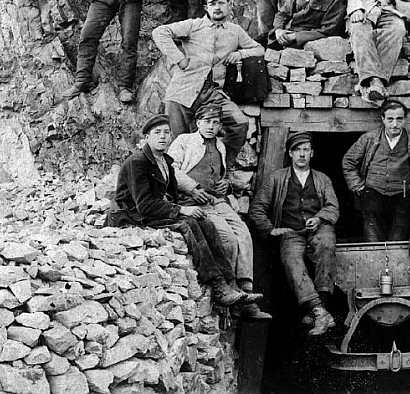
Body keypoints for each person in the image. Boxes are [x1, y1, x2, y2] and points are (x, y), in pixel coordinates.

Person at [108, 115, 261, 307]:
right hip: (131, 214)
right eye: (157, 133)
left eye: (166, 133)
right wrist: (182, 209)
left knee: (205, 220)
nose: (162, 137)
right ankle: (218, 285)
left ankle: (230, 283)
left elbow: (167, 194)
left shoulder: (164, 161)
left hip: (152, 209)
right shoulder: (137, 162)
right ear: (147, 137)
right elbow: (144, 205)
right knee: (189, 224)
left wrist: (185, 207)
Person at [168, 103, 270, 319]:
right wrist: (193, 189)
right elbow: (171, 170)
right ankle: (231, 293)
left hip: (218, 200)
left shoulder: (220, 146)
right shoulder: (185, 141)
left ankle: (246, 292)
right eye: (206, 122)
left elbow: (220, 175)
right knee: (229, 239)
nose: (211, 127)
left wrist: (226, 184)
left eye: (215, 123)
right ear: (198, 122)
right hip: (196, 200)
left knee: (244, 234)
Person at [152, 0, 264, 168]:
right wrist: (180, 59)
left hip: (212, 94)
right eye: (212, 4)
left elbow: (259, 49)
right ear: (206, 8)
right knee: (180, 141)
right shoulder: (194, 25)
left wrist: (240, 54)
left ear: (230, 5)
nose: (217, 7)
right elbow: (160, 32)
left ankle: (221, 164)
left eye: (221, 2)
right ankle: (177, 181)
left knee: (240, 123)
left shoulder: (235, 31)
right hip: (182, 91)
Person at [249, 132, 339, 336]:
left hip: (319, 228)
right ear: (290, 153)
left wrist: (319, 218)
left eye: (306, 150)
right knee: (291, 260)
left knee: (326, 245)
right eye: (297, 150)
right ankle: (319, 311)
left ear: (312, 153)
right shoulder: (277, 178)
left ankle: (318, 310)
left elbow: (333, 207)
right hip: (291, 232)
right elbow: (257, 208)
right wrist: (272, 229)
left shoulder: (322, 179)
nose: (302, 154)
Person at [342, 100, 410, 241]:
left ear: (405, 120)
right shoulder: (369, 138)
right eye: (390, 119)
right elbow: (348, 161)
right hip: (372, 195)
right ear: (383, 119)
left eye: (399, 119)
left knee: (398, 241)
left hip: (402, 197)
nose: (394, 124)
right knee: (373, 241)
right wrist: (357, 185)